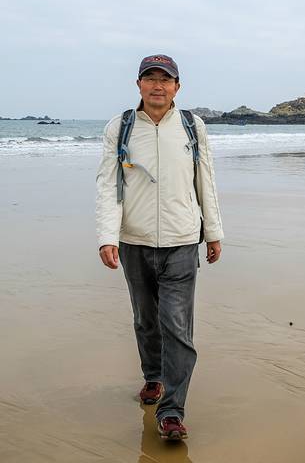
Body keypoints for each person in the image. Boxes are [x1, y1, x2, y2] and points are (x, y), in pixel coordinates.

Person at [96, 54, 224, 441]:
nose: (157, 85)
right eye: (150, 78)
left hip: (181, 241)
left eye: (165, 79)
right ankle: (153, 376)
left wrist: (213, 231)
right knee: (146, 320)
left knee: (177, 327)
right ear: (138, 85)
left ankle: (171, 412)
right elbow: (108, 184)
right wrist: (107, 236)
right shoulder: (120, 127)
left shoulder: (191, 126)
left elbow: (205, 180)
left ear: (176, 87)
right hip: (133, 241)